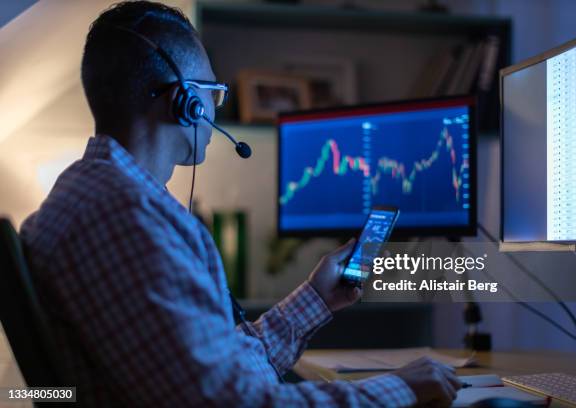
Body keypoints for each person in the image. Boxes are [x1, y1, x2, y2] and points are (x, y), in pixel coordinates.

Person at [20, 1, 461, 406]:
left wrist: (317, 300)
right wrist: (398, 389)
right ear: (186, 102)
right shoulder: (128, 221)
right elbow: (235, 404)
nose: (214, 110)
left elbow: (217, 372)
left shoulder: (88, 196)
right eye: (213, 94)